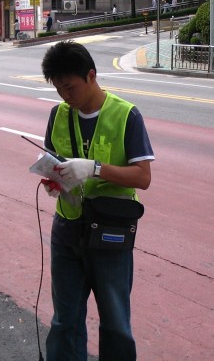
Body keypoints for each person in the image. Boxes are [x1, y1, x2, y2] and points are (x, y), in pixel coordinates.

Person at [40, 41, 154, 361]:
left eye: (70, 87)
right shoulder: (58, 115)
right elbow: (52, 162)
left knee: (116, 323)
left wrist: (95, 168)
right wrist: (54, 182)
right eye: (58, 89)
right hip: (67, 228)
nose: (65, 96)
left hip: (110, 231)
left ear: (91, 76)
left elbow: (143, 177)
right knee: (65, 319)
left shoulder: (126, 115)